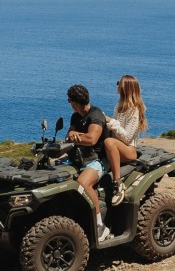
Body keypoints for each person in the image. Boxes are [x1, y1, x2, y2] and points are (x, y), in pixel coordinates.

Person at [65, 84, 112, 241]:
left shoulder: (96, 116)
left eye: (69, 100)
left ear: (75, 102)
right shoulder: (76, 116)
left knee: (83, 183)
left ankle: (100, 226)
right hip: (79, 158)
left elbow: (92, 139)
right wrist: (73, 134)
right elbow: (69, 135)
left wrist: (77, 137)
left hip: (98, 159)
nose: (69, 104)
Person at [103, 75, 148, 206]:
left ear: (125, 88)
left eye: (119, 83)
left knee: (109, 142)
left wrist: (111, 122)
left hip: (128, 150)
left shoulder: (135, 110)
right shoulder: (118, 107)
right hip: (118, 147)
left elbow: (127, 138)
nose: (117, 86)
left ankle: (118, 184)